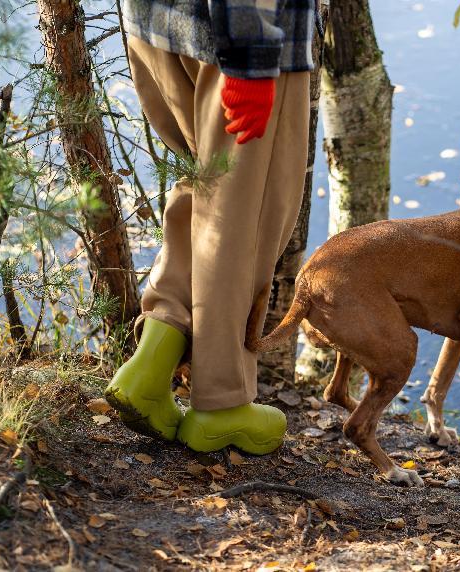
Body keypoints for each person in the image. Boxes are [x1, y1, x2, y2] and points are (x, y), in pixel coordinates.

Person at [104, 0, 316, 455]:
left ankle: (150, 365)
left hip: (157, 21)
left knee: (211, 188)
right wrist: (251, 57)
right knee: (246, 219)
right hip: (243, 38)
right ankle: (221, 405)